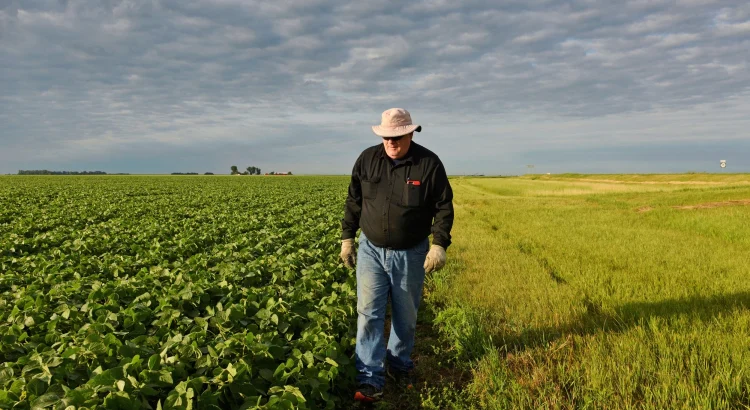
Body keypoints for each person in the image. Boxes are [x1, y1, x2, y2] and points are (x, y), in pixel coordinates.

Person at [340, 108, 454, 403]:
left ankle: (400, 366)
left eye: (397, 136)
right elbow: (354, 200)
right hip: (371, 251)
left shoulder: (428, 164)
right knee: (369, 315)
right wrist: (347, 238)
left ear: (410, 133)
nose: (391, 142)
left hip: (411, 253)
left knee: (406, 316)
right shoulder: (367, 160)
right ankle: (370, 379)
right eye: (386, 136)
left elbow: (443, 206)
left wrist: (439, 244)